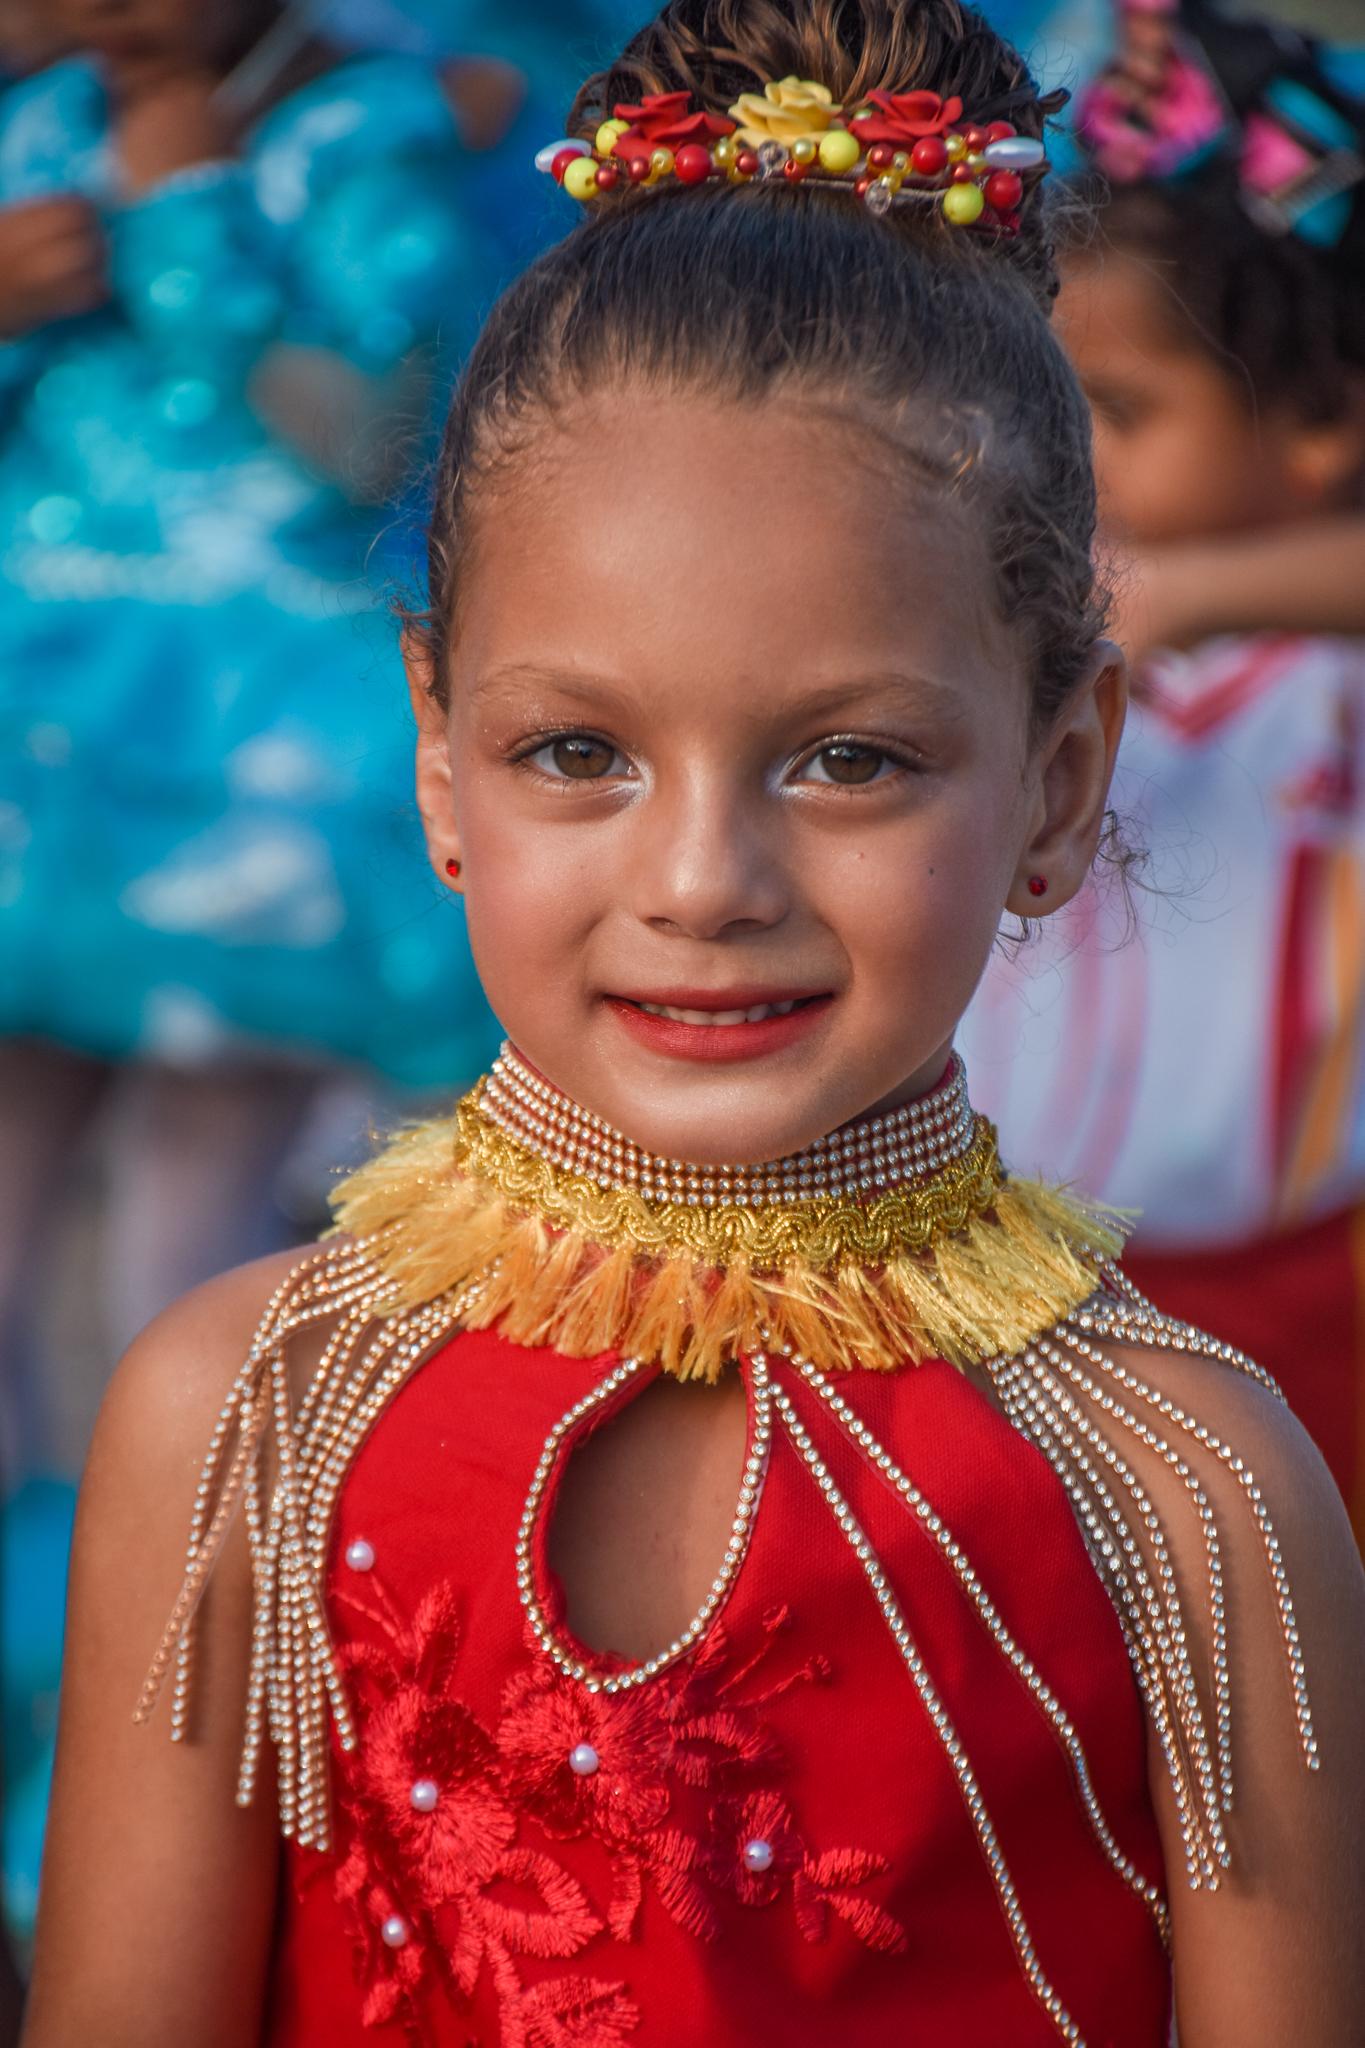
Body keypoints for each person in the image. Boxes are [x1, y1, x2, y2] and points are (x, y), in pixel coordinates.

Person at [20, 2, 1365, 2042]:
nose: (702, 881)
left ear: (1060, 779)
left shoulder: (1189, 1494)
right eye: (576, 748)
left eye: (845, 761)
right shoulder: (238, 1423)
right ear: (437, 762)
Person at [0, 0, 497, 1468]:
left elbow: (361, 437)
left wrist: (189, 214)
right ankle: (30, 1631)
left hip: (258, 765)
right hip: (40, 730)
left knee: (190, 1200)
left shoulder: (365, 133)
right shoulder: (39, 127)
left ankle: (178, 1582)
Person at [960, 0, 1365, 1531]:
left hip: (1283, 1301)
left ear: (1322, 422)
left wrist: (1192, 598)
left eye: (1115, 412)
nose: (1060, 451)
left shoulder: (1324, 676)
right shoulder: (1008, 628)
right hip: (982, 1280)